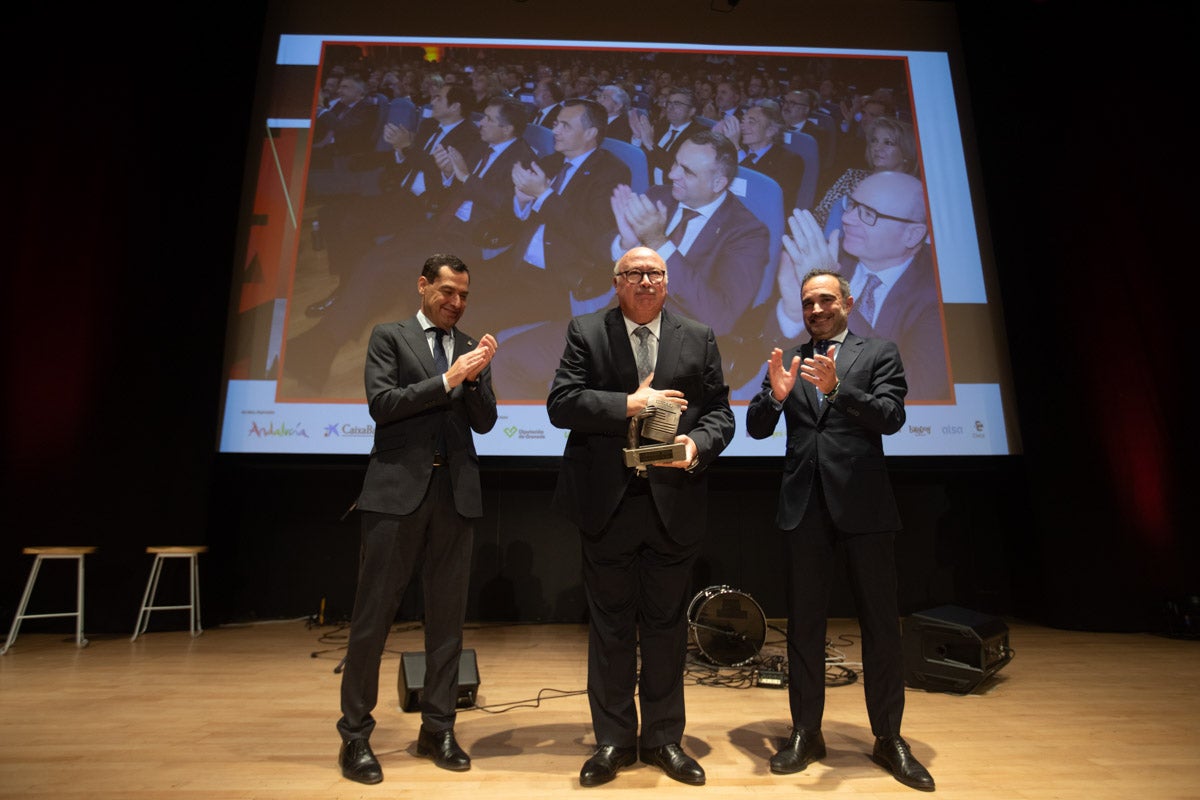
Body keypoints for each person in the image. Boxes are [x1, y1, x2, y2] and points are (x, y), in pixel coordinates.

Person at [546, 246, 735, 788]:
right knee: (609, 628)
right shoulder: (587, 330)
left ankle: (662, 739)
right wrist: (630, 404)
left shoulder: (696, 336)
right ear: (616, 282)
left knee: (666, 627)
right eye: (634, 273)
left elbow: (720, 412)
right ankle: (612, 740)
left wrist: (696, 445)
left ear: (667, 281)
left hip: (673, 501)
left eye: (654, 272)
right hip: (609, 502)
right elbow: (561, 403)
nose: (645, 281)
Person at [744, 266, 936, 793]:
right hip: (804, 508)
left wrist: (838, 392)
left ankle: (889, 738)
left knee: (879, 626)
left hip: (865, 508)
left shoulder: (879, 353)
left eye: (826, 299)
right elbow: (757, 427)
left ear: (847, 303)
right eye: (808, 302)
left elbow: (890, 417)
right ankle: (806, 733)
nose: (816, 309)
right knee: (804, 626)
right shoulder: (790, 359)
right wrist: (777, 396)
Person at [336, 254, 499, 786]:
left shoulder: (472, 347)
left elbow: (486, 422)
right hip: (394, 495)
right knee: (372, 620)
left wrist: (473, 380)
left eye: (464, 295)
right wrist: (449, 378)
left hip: (455, 496)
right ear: (424, 286)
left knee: (448, 622)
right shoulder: (390, 336)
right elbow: (382, 404)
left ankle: (439, 728)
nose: (456, 302)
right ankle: (356, 735)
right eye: (447, 292)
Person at [765, 171, 950, 402]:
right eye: (851, 205)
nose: (847, 218)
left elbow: (915, 388)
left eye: (868, 214)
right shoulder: (832, 253)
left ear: (912, 235)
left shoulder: (942, 291)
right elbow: (768, 356)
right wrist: (792, 314)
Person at [813, 116, 917, 230]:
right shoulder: (852, 176)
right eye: (874, 141)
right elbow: (819, 216)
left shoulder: (911, 194)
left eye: (888, 143)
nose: (877, 147)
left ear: (907, 151)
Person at [713, 99, 805, 215]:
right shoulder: (736, 149)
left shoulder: (791, 161)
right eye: (742, 121)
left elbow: (761, 196)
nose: (742, 127)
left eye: (751, 122)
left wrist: (736, 148)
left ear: (770, 131)